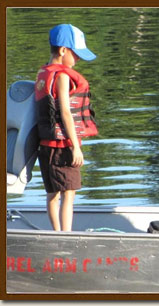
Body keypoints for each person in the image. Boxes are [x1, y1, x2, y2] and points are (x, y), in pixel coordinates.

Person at [35, 24, 98, 231]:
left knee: (52, 194)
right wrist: (75, 147)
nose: (78, 60)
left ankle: (56, 233)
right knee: (69, 193)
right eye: (76, 54)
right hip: (63, 146)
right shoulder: (62, 76)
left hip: (46, 145)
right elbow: (65, 113)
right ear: (63, 50)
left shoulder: (43, 73)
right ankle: (66, 235)